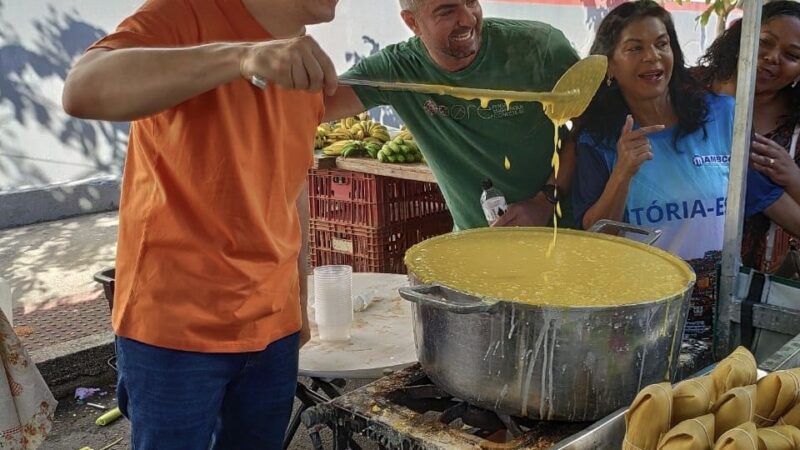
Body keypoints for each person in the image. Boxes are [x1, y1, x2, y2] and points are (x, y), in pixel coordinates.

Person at [61, 0, 340, 448]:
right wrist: (242, 56)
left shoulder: (299, 57)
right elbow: (82, 88)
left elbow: (290, 190)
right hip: (175, 330)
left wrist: (299, 299)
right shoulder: (184, 12)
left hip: (272, 325)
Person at [324, 0, 580, 231]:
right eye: (447, 11)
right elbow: (318, 108)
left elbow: (590, 128)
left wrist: (545, 200)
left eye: (470, 2)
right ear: (412, 22)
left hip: (564, 237)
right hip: (476, 252)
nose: (468, 19)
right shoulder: (398, 70)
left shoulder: (540, 47)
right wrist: (287, 45)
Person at [571, 0, 734, 348]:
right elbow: (597, 240)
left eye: (662, 44)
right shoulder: (597, 141)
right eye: (635, 48)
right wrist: (622, 173)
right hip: (643, 320)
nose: (653, 57)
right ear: (609, 67)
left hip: (724, 310)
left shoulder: (721, 116)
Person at [694, 0, 800, 274]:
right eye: (765, 41)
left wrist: (793, 178)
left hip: (767, 292)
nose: (772, 57)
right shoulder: (688, 92)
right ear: (744, 34)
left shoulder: (796, 125)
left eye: (792, 55)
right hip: (683, 267)